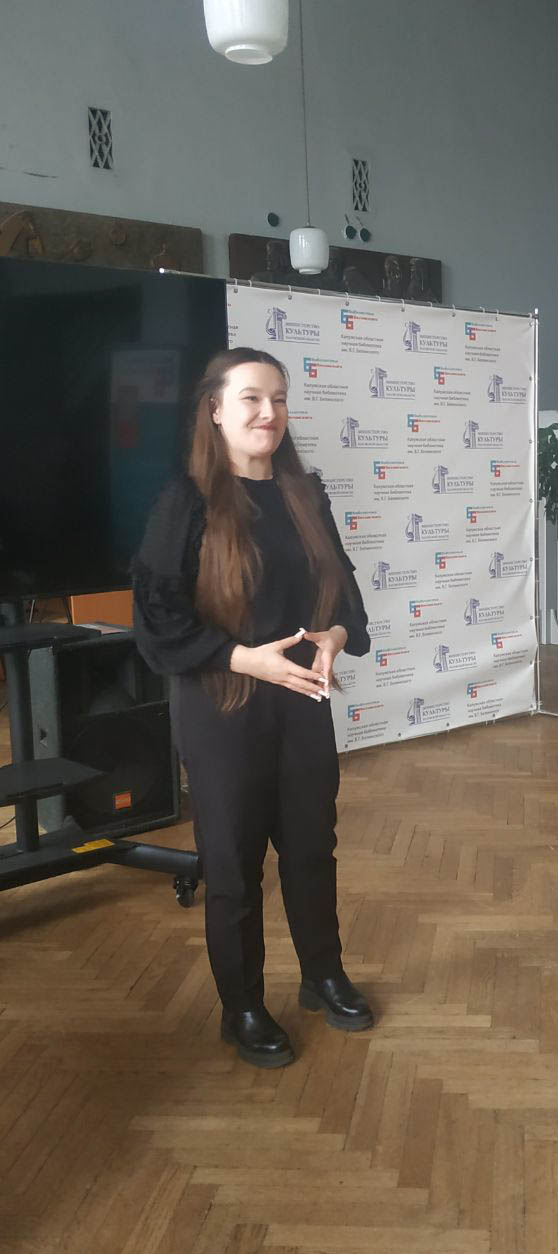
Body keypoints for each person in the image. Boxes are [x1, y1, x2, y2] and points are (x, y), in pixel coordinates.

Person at [132, 347, 373, 1069]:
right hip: (223, 707)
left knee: (311, 850)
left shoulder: (305, 495)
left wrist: (333, 638)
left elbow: (346, 595)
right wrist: (245, 659)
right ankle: (242, 1008)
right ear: (214, 410)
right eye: (251, 399)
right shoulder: (185, 502)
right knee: (233, 867)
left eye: (279, 399)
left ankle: (322, 975)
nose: (269, 413)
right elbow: (157, 617)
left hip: (302, 706)